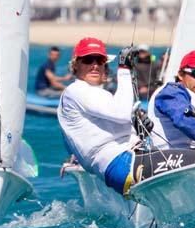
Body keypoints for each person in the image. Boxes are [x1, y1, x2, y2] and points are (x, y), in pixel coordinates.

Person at [57, 37, 144, 195]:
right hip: (119, 164)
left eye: (100, 60)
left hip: (128, 157)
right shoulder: (75, 91)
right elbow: (122, 114)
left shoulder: (99, 94)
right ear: (75, 65)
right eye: (88, 60)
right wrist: (124, 69)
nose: (95, 65)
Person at [148, 50, 195, 149]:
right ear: (180, 74)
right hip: (170, 158)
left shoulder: (191, 97)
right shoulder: (171, 91)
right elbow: (184, 121)